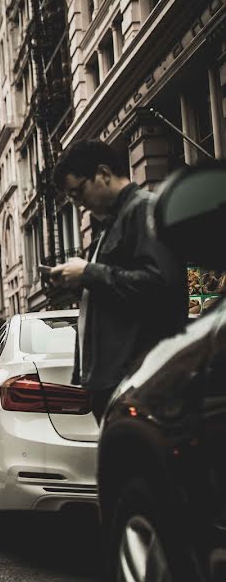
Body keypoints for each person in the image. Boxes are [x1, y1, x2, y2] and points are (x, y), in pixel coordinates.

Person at [50, 139, 187, 423]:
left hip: (138, 378)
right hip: (117, 381)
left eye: (78, 192)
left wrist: (88, 273)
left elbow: (160, 284)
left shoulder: (144, 209)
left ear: (103, 173)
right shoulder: (109, 224)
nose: (78, 204)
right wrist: (81, 281)